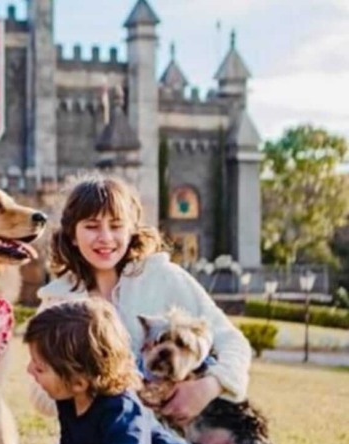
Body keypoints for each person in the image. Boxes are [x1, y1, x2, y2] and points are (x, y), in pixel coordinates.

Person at [29, 173, 252, 425]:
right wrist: (96, 388)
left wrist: (209, 387)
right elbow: (39, 393)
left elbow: (232, 342)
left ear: (131, 229)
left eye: (116, 226)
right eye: (91, 226)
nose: (105, 237)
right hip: (103, 439)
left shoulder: (164, 277)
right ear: (72, 234)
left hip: (177, 436)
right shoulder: (58, 300)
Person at [24, 299, 248, 444]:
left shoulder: (119, 409)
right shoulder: (69, 400)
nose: (29, 370)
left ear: (78, 382)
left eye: (39, 368)